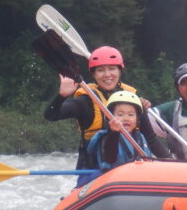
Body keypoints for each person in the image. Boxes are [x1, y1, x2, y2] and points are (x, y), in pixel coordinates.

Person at [43, 45, 151, 173]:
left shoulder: (132, 98)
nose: (107, 75)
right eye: (100, 70)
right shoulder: (86, 101)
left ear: (120, 71)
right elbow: (51, 115)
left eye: (112, 69)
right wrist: (62, 96)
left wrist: (168, 163)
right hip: (93, 170)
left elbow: (151, 137)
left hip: (132, 168)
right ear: (93, 74)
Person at [81, 91, 171, 186]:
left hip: (137, 180)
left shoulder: (140, 137)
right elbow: (109, 158)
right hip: (112, 182)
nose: (126, 118)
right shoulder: (107, 137)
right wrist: (114, 133)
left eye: (131, 115)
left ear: (137, 119)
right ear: (109, 118)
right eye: (120, 114)